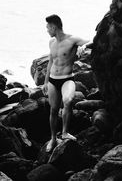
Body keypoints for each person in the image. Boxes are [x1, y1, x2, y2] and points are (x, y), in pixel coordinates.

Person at [43, 14, 92, 152]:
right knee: (53, 109)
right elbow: (50, 62)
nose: (47, 30)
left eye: (48, 27)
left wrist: (84, 47)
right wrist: (46, 82)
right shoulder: (51, 43)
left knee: (68, 100)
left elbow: (90, 41)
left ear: (53, 26)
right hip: (53, 80)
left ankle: (64, 133)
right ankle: (53, 139)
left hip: (67, 78)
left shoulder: (72, 40)